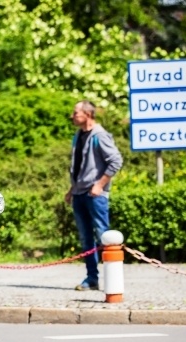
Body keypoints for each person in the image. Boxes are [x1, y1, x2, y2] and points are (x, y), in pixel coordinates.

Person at [64, 101, 123, 291]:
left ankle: (112, 281)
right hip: (80, 194)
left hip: (95, 196)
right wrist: (71, 190)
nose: (72, 116)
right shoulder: (78, 135)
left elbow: (116, 161)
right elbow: (80, 167)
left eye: (76, 113)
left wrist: (99, 185)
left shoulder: (100, 135)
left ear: (87, 114)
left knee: (102, 236)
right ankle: (92, 279)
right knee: (85, 239)